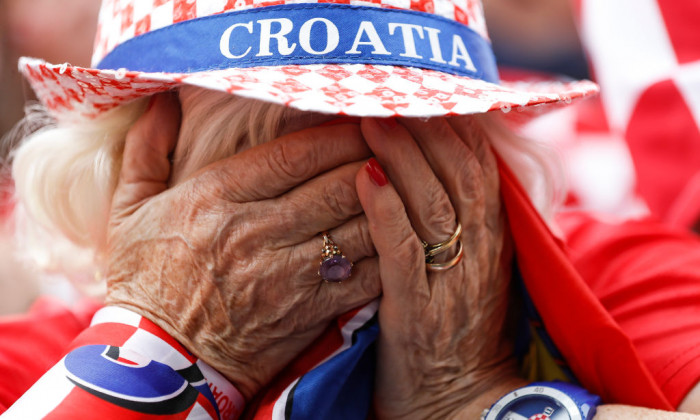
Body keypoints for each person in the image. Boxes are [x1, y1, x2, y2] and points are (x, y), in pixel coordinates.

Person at [2, 0, 698, 418]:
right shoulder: (29, 363)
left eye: (393, 140)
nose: (336, 235)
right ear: (140, 164)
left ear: (475, 153)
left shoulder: (604, 276)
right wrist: (158, 346)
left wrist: (472, 396)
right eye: (256, 159)